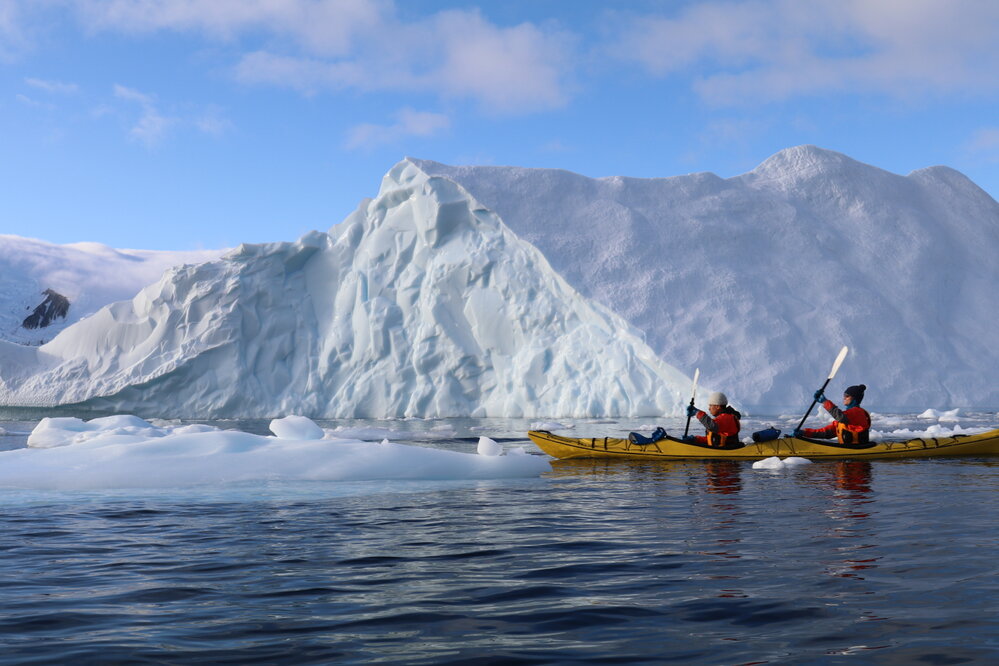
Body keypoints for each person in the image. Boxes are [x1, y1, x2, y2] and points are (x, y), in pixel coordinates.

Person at [794, 384, 871, 444]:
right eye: (844, 395)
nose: (844, 398)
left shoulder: (857, 412)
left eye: (847, 396)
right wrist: (804, 433)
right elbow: (827, 433)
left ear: (855, 399)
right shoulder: (846, 417)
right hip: (847, 449)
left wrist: (825, 402)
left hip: (857, 451)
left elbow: (841, 417)